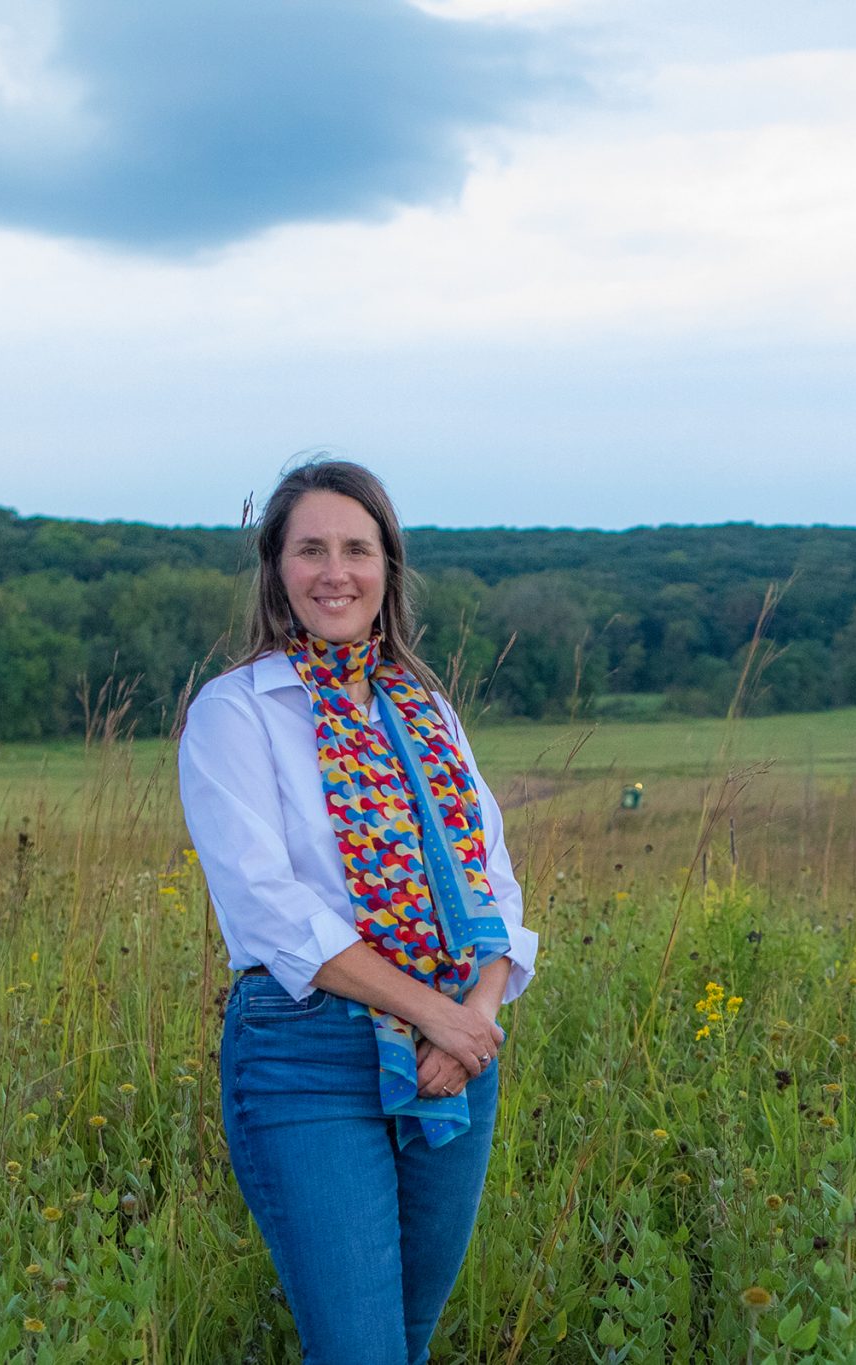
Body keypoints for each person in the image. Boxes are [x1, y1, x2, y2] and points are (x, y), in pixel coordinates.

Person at [177, 458, 539, 1365]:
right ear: (278, 571)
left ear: (388, 570)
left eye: (356, 548)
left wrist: (474, 1022)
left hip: (454, 1053)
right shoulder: (236, 714)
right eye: (310, 549)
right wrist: (439, 1015)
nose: (334, 571)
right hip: (308, 1050)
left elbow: (495, 886)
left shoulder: (428, 713)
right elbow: (271, 909)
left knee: (404, 1346)